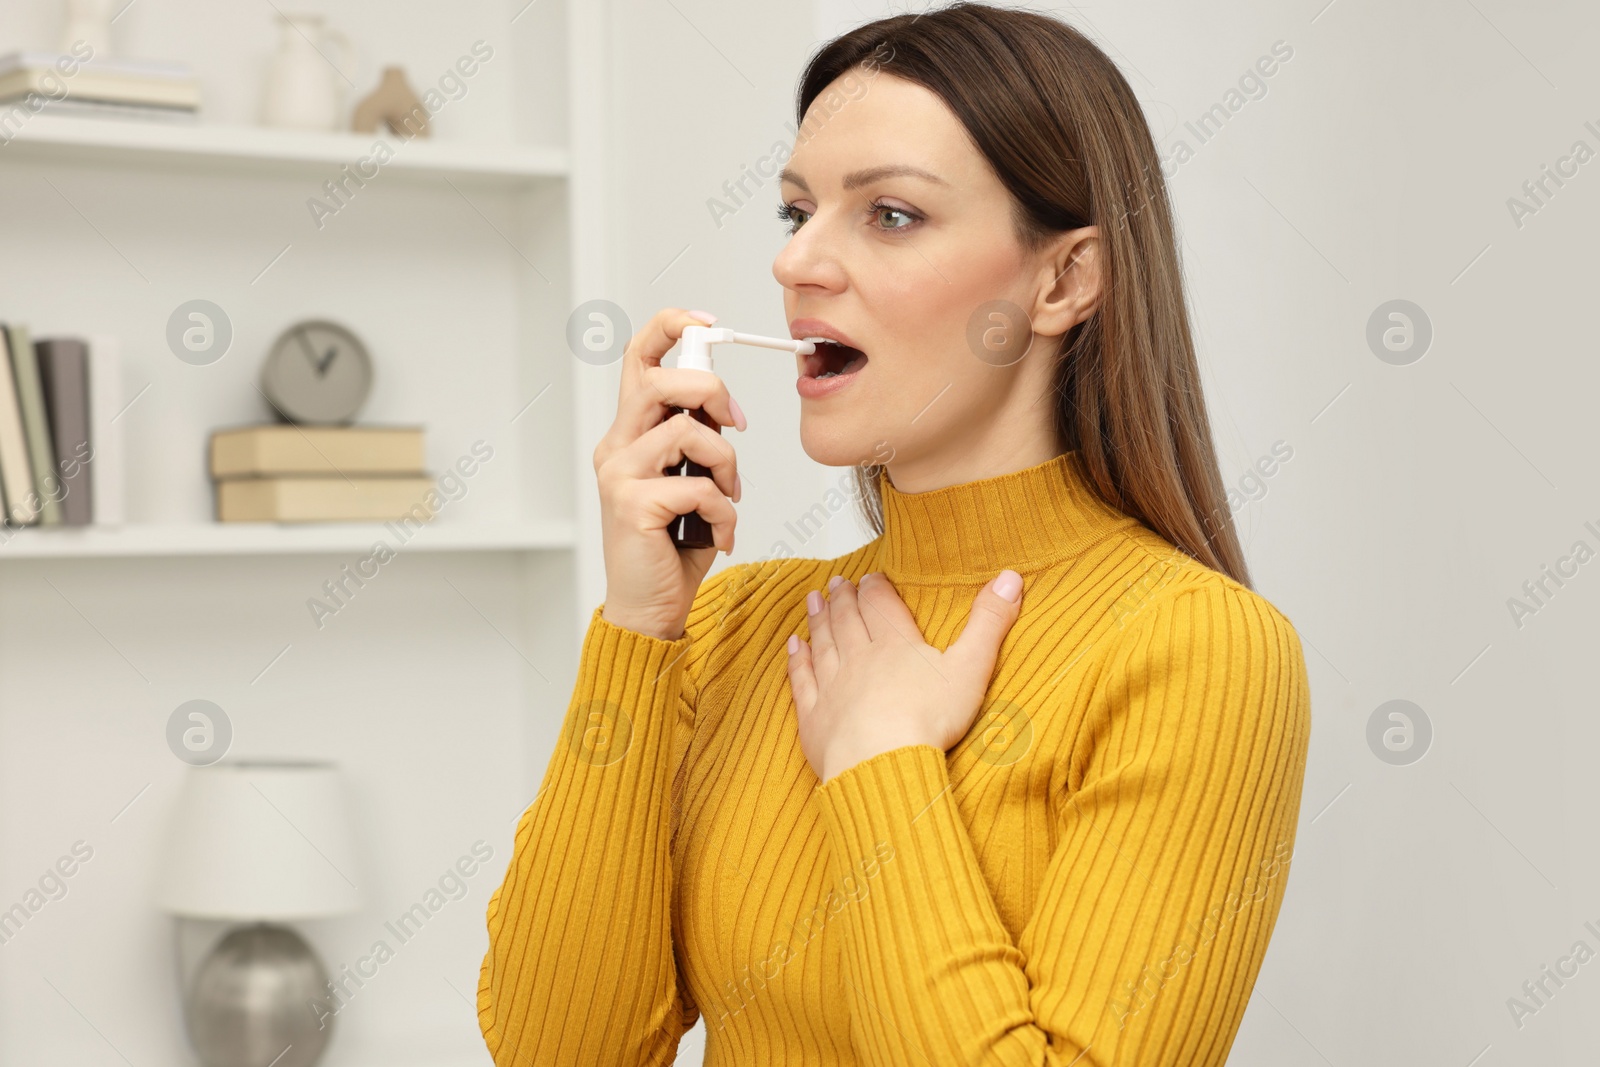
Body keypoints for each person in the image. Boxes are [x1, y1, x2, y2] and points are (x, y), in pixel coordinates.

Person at [478, 4, 1311, 1064]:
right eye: (796, 214)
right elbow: (558, 1048)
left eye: (890, 216)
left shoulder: (1200, 651)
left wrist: (880, 756)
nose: (796, 266)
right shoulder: (733, 623)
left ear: (1063, 281)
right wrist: (639, 633)